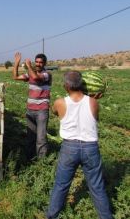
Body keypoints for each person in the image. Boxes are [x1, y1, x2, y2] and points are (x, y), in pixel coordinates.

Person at [46, 71, 113, 219]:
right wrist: (94, 97)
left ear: (66, 86)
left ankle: (51, 216)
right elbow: (95, 117)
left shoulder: (59, 102)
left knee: (61, 186)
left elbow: (54, 111)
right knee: (97, 187)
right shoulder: (94, 103)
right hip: (90, 149)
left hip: (69, 148)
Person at [13, 52, 52, 159]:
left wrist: (29, 66)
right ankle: (30, 157)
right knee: (30, 137)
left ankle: (41, 161)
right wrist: (16, 63)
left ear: (44, 63)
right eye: (37, 62)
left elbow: (35, 78)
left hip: (42, 110)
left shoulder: (47, 74)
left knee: (41, 138)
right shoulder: (31, 73)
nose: (38, 64)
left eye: (41, 62)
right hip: (30, 110)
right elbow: (15, 77)